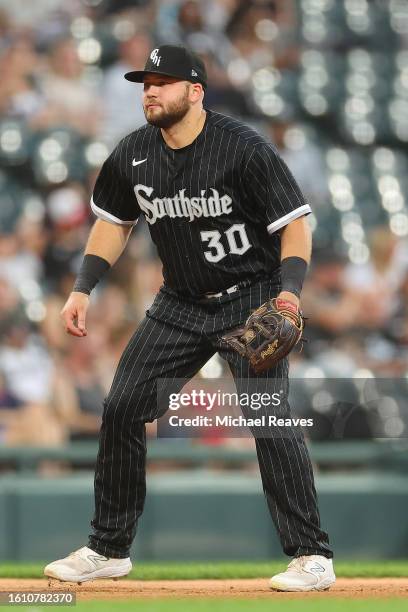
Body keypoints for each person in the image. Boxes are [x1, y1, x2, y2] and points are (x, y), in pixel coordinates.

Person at [44, 44, 335, 592]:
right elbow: (114, 222)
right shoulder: (133, 153)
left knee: (269, 417)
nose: (149, 90)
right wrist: (83, 288)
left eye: (163, 81)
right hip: (179, 302)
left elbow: (295, 227)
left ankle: (311, 556)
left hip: (252, 295)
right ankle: (109, 548)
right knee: (124, 404)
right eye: (144, 82)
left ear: (195, 91)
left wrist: (290, 296)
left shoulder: (243, 148)